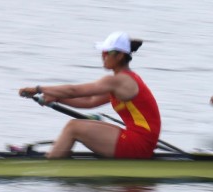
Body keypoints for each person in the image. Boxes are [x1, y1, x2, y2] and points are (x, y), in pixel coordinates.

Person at [18, 31, 161, 159]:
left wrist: (39, 88)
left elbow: (74, 91)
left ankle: (49, 166)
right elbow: (89, 101)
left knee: (74, 127)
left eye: (107, 53)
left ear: (120, 56)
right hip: (140, 141)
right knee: (77, 125)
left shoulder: (118, 81)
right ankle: (57, 156)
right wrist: (57, 98)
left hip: (139, 144)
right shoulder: (122, 81)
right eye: (102, 52)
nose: (103, 56)